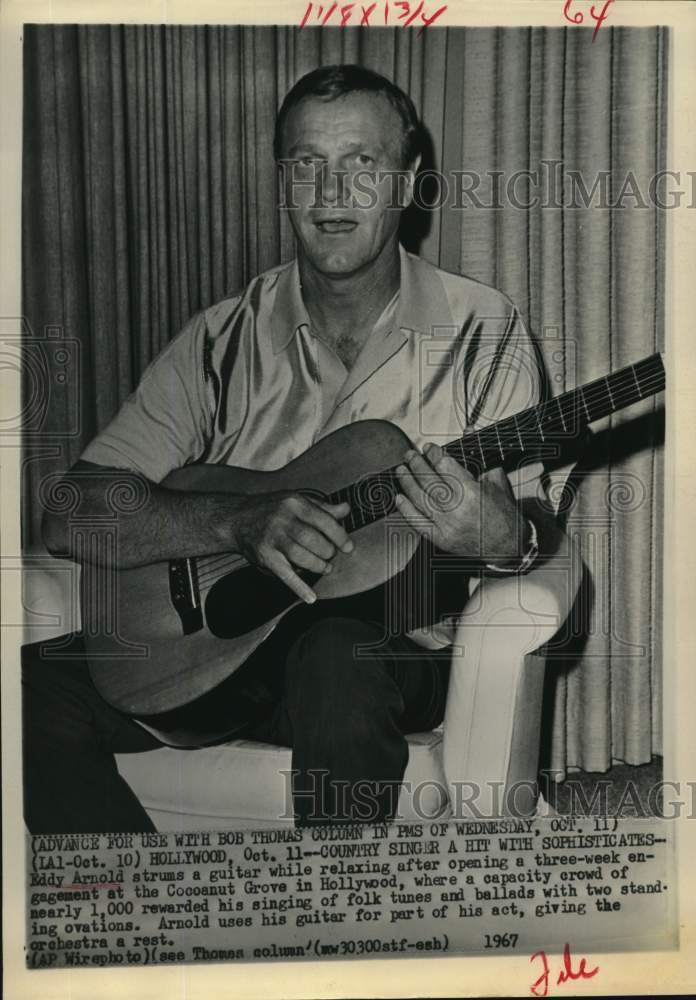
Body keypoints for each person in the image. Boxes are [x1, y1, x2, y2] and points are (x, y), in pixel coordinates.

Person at [25, 64, 551, 833]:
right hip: (222, 661)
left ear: (406, 185)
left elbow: (529, 533)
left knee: (336, 652)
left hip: (393, 655)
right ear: (282, 183)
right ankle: (145, 920)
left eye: (362, 164)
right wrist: (233, 523)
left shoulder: (482, 328)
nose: (331, 192)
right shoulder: (217, 337)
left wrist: (497, 536)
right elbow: (71, 514)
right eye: (308, 163)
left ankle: (338, 931)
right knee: (24, 690)